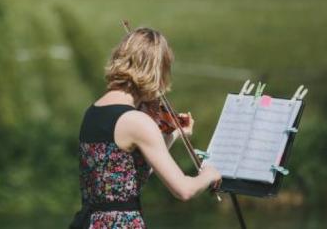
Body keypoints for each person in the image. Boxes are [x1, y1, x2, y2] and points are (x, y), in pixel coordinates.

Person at [70, 27, 222, 229]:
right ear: (156, 70)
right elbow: (183, 190)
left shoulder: (93, 112)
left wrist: (174, 134)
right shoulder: (137, 121)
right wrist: (209, 175)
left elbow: (127, 176)